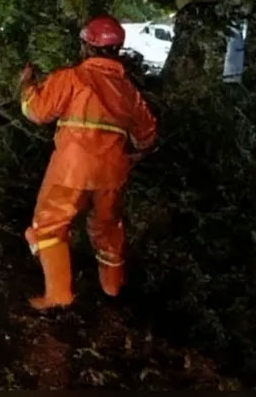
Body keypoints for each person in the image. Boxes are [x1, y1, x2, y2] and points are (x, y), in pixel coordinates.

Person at [19, 15, 158, 309]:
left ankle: (59, 295)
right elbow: (147, 135)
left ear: (87, 46)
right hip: (113, 173)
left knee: (49, 225)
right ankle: (113, 291)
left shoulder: (73, 78)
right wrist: (136, 154)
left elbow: (37, 111)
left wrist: (27, 87)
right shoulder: (128, 91)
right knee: (108, 228)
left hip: (71, 170)